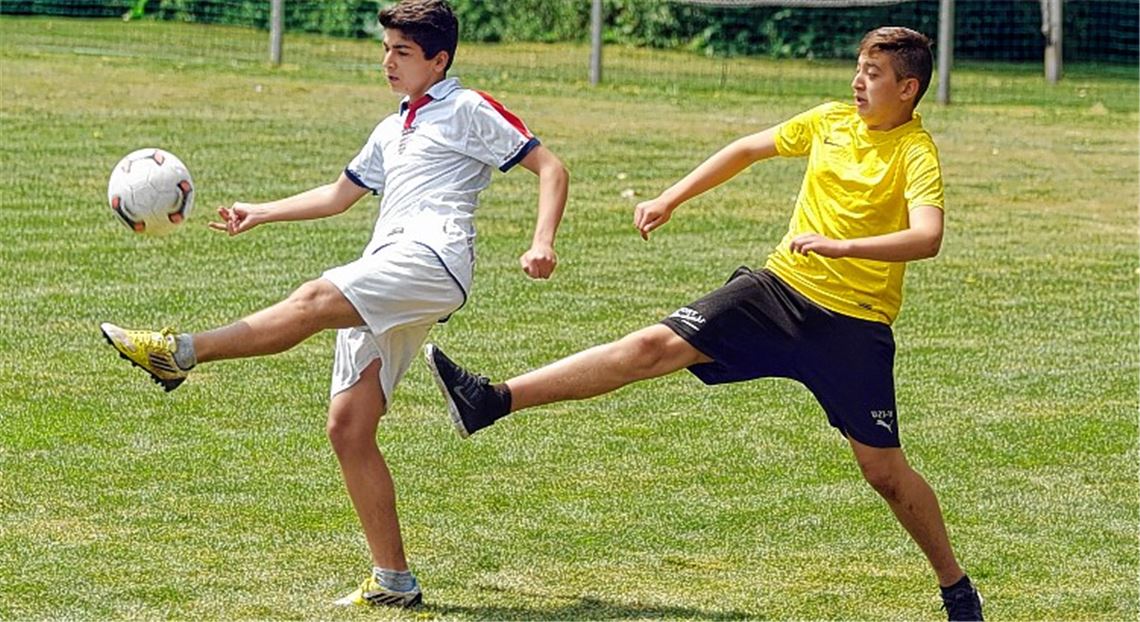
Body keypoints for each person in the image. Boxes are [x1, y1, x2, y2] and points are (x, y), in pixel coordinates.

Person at [424, 26, 983, 621]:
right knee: (653, 347)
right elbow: (746, 149)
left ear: (907, 88)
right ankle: (492, 399)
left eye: (872, 74)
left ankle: (955, 587)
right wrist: (671, 197)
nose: (857, 82)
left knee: (884, 473)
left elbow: (927, 236)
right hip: (777, 291)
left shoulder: (915, 152)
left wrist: (843, 248)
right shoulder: (829, 121)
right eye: (858, 68)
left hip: (853, 326)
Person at [100, 0, 568, 609]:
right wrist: (261, 212)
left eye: (402, 53)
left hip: (433, 259)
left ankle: (179, 352)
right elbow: (339, 195)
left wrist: (541, 241)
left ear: (439, 60)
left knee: (315, 298)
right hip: (390, 261)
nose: (388, 62)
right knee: (348, 429)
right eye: (386, 50)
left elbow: (549, 166)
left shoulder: (468, 108)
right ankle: (394, 581)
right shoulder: (391, 127)